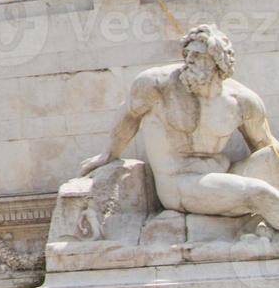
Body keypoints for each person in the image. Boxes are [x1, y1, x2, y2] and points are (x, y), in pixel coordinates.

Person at [81, 25, 279, 228]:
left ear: (218, 61)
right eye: (188, 53)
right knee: (259, 193)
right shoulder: (158, 84)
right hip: (180, 184)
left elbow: (265, 146)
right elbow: (129, 116)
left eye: (198, 54)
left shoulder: (243, 101)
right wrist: (108, 154)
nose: (189, 60)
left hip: (227, 176)